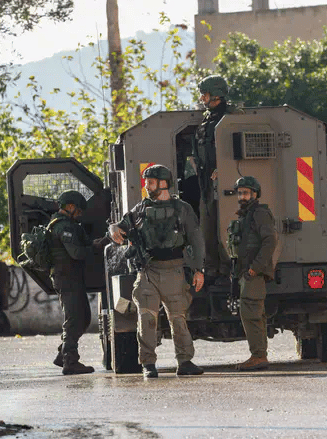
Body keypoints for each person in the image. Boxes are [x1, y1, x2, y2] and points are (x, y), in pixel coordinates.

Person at [108, 164, 206, 378]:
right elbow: (121, 225)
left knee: (178, 319)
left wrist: (198, 270)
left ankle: (185, 361)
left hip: (175, 270)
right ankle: (148, 364)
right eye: (146, 182)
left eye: (151, 182)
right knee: (146, 319)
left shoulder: (183, 209)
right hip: (148, 272)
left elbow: (197, 240)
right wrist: (114, 229)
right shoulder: (141, 209)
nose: (147, 186)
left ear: (163, 183)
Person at [194, 74, 243, 282]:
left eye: (204, 95)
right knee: (207, 226)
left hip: (227, 182)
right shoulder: (207, 120)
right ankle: (212, 268)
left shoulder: (233, 116)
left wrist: (224, 168)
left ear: (216, 95)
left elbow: (239, 148)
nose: (202, 99)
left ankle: (227, 267)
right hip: (207, 184)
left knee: (225, 226)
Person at [226, 176, 278, 371]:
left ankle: (258, 356)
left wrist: (255, 267)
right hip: (246, 272)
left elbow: (270, 241)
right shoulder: (247, 215)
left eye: (246, 193)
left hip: (253, 273)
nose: (242, 196)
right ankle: (259, 354)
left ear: (255, 194)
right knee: (253, 312)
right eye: (240, 193)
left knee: (252, 313)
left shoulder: (259, 213)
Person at [49, 189, 102, 375]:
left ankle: (62, 354)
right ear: (70, 207)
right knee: (74, 319)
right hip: (66, 278)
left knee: (84, 317)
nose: (79, 215)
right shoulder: (63, 227)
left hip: (71, 278)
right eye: (78, 211)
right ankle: (70, 362)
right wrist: (94, 247)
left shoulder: (67, 224)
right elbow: (76, 253)